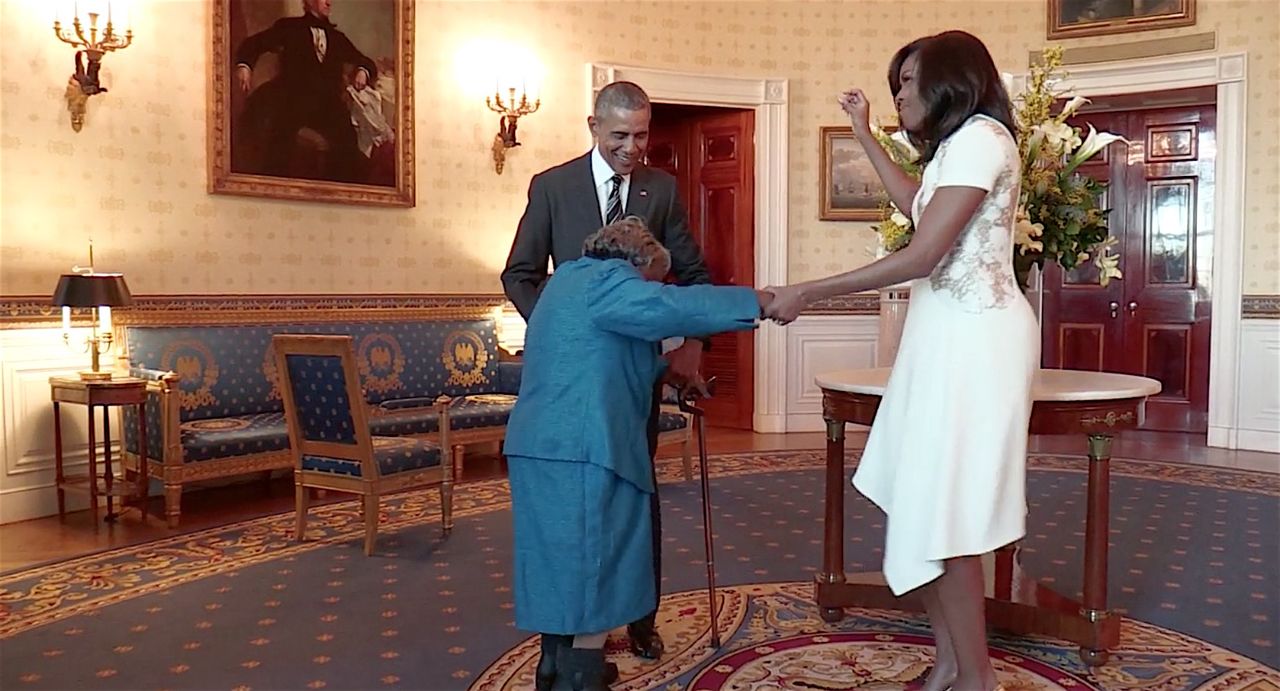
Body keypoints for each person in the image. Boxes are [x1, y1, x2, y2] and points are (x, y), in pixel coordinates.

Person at [764, 30, 1035, 691]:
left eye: (908, 83)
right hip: (944, 336)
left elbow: (923, 254)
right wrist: (863, 132)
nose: (899, 95)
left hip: (975, 341)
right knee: (925, 497)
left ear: (950, 79)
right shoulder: (959, 146)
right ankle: (949, 659)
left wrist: (809, 290)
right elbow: (917, 204)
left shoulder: (979, 138)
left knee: (951, 510)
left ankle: (977, 677)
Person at [504, 218, 770, 691]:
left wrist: (670, 373)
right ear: (637, 262)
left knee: (557, 562)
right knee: (596, 565)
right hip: (585, 448)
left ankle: (554, 666)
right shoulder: (609, 282)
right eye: (654, 279)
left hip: (541, 446)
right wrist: (762, 301)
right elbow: (668, 308)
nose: (655, 287)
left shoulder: (564, 282)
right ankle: (580, 678)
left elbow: (608, 355)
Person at [501, 80, 713, 660]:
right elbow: (518, 273)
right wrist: (560, 334)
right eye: (620, 135)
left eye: (641, 135)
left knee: (633, 495)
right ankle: (560, 641)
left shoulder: (661, 190)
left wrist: (692, 344)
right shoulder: (553, 187)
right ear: (594, 127)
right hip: (571, 390)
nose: (631, 147)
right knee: (566, 507)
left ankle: (639, 619)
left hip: (632, 384)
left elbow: (693, 275)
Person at [233, 0, 376, 182]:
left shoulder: (337, 37)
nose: (329, 2)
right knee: (281, 133)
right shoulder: (290, 27)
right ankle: (274, 185)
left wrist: (363, 71)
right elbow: (255, 43)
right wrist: (245, 65)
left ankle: (340, 191)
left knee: (346, 138)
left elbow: (363, 60)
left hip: (327, 103)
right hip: (293, 97)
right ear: (309, 1)